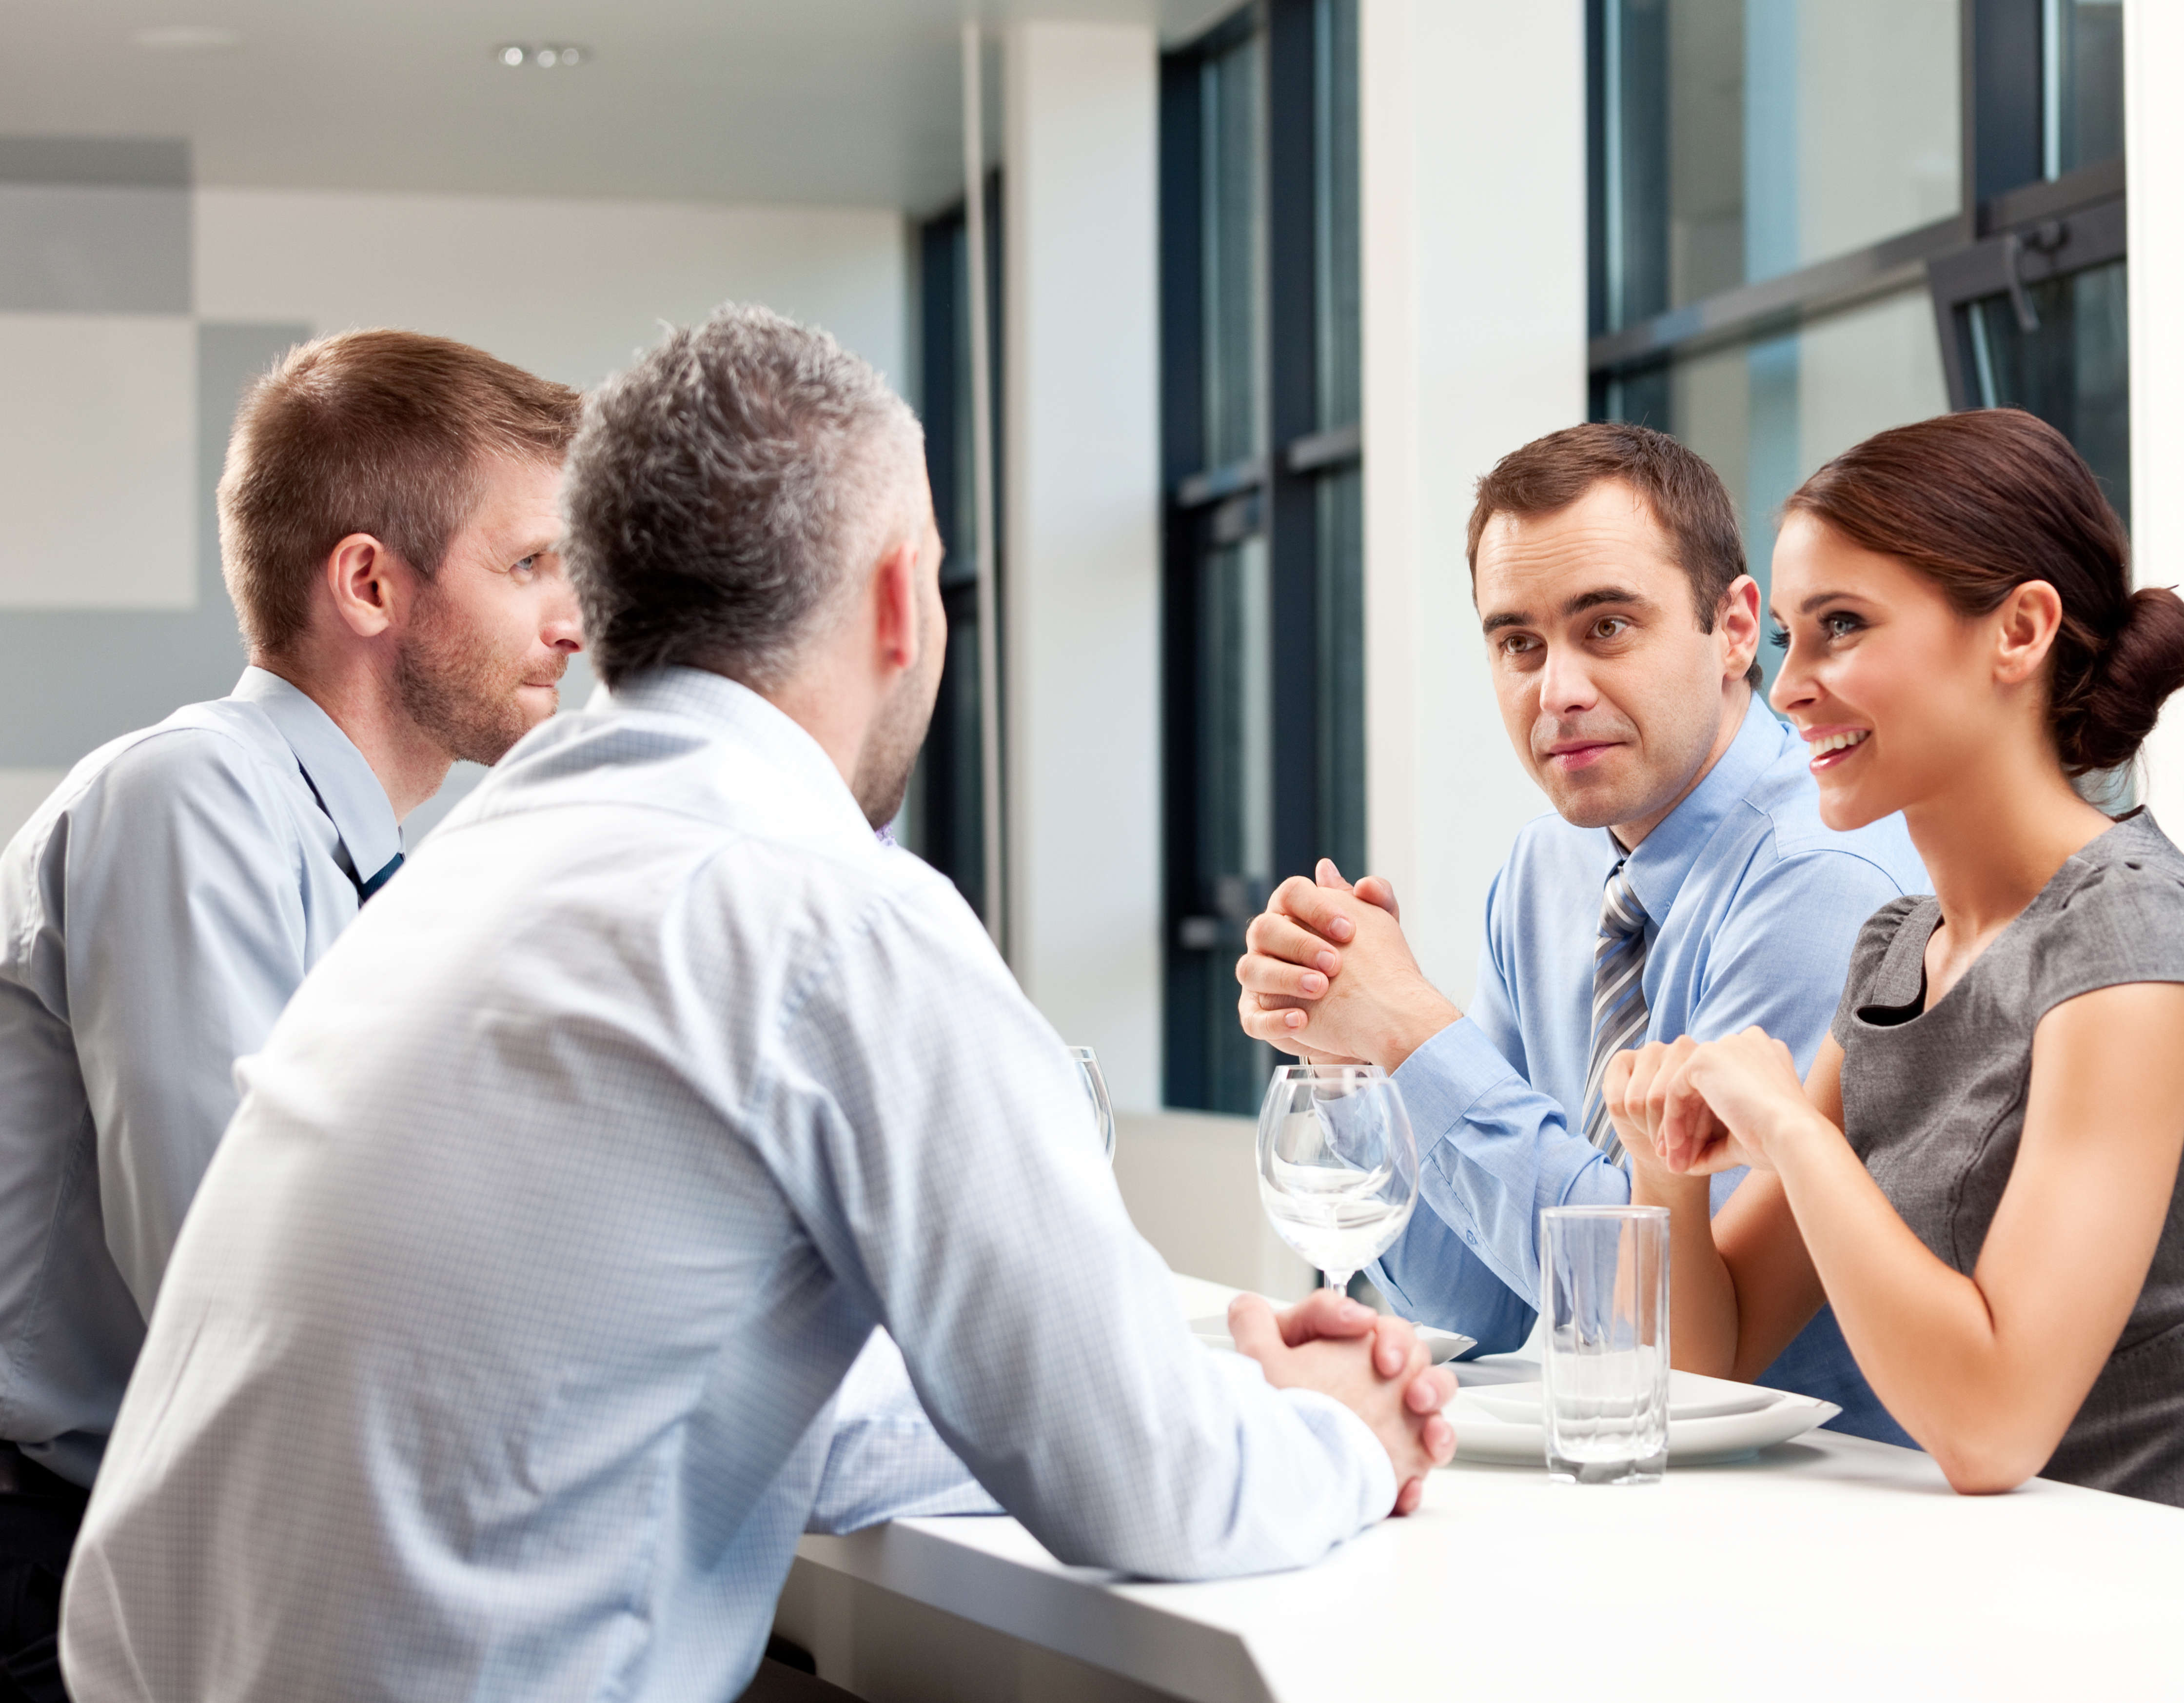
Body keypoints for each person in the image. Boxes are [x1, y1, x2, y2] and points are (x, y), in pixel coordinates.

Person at [61, 307, 1457, 1703]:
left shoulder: (464, 873)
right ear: (902, 600)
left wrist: (1178, 1393)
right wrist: (1334, 1432)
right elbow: (1155, 1495)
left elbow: (736, 1401)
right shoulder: (826, 907)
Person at [1602, 409, 2184, 1535]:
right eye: (1790, 638)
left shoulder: (2142, 946)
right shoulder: (1902, 952)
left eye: (1842, 626)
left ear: (2020, 631)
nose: (1788, 687)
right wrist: (1670, 1172)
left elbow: (1994, 1426)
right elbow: (1705, 1369)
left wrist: (1795, 1135)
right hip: (2001, 1594)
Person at [0, 329, 584, 1698]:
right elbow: (241, 1277)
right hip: (57, 1570)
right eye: (528, 566)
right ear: (370, 581)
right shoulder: (191, 798)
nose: (572, 621)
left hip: (189, 1548)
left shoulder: (362, 862)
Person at [1234, 422, 1928, 1443]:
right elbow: (1474, 1307)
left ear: (1736, 628)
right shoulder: (1546, 871)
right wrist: (1352, 1052)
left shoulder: (1827, 882)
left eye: (1605, 628)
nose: (1555, 692)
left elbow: (1656, 1324)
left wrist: (1417, 1034)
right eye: (1519, 643)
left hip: (1827, 1505)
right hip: (1622, 1478)